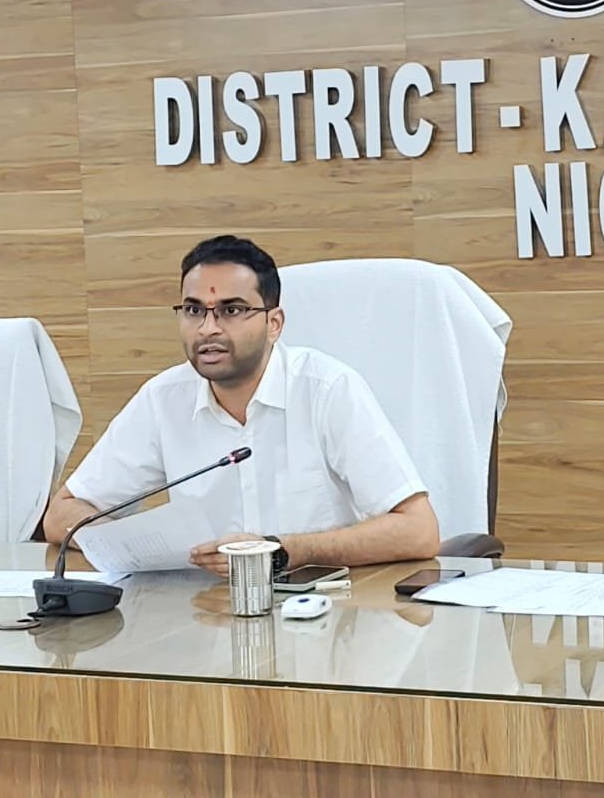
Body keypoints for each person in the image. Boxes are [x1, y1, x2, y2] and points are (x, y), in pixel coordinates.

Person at [42, 235, 439, 574]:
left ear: (274, 324)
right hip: (201, 613)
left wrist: (283, 550)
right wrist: (133, 544)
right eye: (194, 310)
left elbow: (418, 530)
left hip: (323, 610)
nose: (208, 328)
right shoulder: (163, 399)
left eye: (231, 311)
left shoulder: (327, 390)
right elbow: (62, 515)